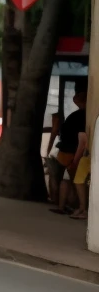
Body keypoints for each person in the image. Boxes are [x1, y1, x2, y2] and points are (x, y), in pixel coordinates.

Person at [51, 84, 89, 215]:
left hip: (65, 152)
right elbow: (81, 140)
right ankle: (76, 206)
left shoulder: (74, 116)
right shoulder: (85, 117)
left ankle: (63, 206)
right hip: (74, 152)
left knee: (66, 180)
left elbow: (62, 131)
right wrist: (76, 159)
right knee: (75, 181)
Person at [43, 107, 66, 203]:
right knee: (57, 177)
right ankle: (56, 198)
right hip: (59, 153)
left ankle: (54, 198)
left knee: (53, 177)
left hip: (54, 154)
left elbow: (53, 136)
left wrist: (47, 152)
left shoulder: (56, 129)